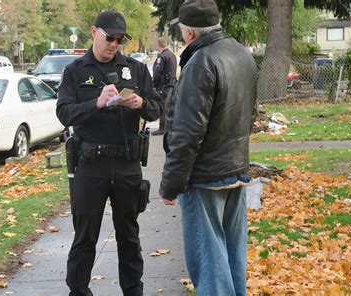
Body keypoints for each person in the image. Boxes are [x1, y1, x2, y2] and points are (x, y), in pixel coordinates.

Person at [56, 10, 162, 296]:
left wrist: (141, 104)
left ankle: (133, 291)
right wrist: (96, 104)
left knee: (129, 235)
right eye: (109, 37)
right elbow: (63, 113)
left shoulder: (135, 69)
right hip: (91, 164)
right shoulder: (75, 71)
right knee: (85, 236)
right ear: (94, 32)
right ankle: (78, 291)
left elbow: (157, 107)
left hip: (127, 163)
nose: (114, 44)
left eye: (119, 39)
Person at [159, 0, 257, 295]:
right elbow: (249, 115)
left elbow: (187, 133)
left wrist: (170, 185)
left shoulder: (201, 62)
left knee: (210, 262)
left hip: (205, 177)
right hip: (236, 170)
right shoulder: (242, 54)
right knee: (231, 255)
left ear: (189, 33)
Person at [151, 37, 178, 136]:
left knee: (163, 106)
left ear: (158, 45)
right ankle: (170, 127)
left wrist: (154, 84)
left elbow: (157, 72)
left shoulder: (162, 57)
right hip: (172, 85)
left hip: (163, 86)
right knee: (170, 106)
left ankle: (163, 128)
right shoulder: (172, 55)